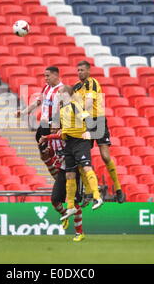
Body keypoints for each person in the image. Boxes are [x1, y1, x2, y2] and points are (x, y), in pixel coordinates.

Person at [73, 60, 125, 203]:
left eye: (82, 70)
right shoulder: (77, 87)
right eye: (78, 70)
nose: (80, 73)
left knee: (105, 156)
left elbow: (88, 105)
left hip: (98, 121)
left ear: (88, 71)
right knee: (82, 158)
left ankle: (119, 189)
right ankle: (89, 192)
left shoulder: (93, 83)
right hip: (84, 123)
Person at [57, 85, 103, 220]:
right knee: (70, 174)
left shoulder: (74, 105)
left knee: (86, 166)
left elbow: (87, 118)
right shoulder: (62, 109)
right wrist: (63, 131)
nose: (58, 95)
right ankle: (70, 206)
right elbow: (67, 125)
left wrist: (89, 131)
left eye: (60, 93)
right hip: (69, 144)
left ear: (66, 94)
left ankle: (97, 196)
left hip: (80, 142)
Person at [39, 128, 85, 242]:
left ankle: (79, 233)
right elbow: (52, 152)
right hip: (63, 170)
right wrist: (46, 151)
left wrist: (48, 137)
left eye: (55, 127)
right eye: (51, 127)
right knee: (54, 200)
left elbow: (62, 137)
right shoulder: (51, 139)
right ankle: (64, 214)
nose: (53, 129)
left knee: (74, 203)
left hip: (74, 170)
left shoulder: (64, 133)